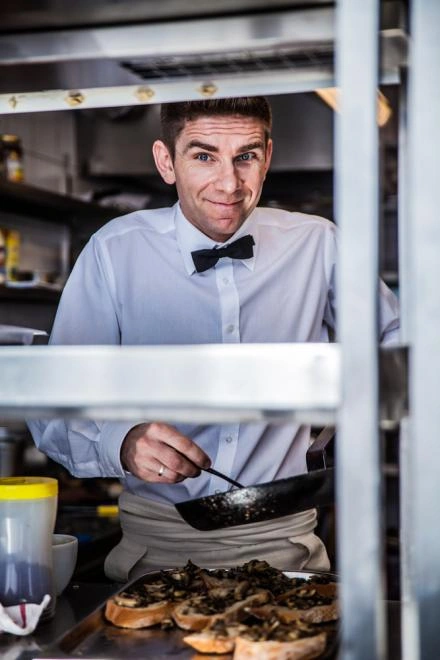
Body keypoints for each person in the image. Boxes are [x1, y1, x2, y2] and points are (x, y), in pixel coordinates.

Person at [28, 97, 399, 581]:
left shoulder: (319, 243)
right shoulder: (114, 250)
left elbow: (400, 350)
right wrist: (122, 443)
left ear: (267, 157)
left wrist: (351, 398)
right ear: (166, 161)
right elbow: (51, 403)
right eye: (204, 156)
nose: (229, 184)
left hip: (286, 550)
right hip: (156, 554)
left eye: (246, 156)